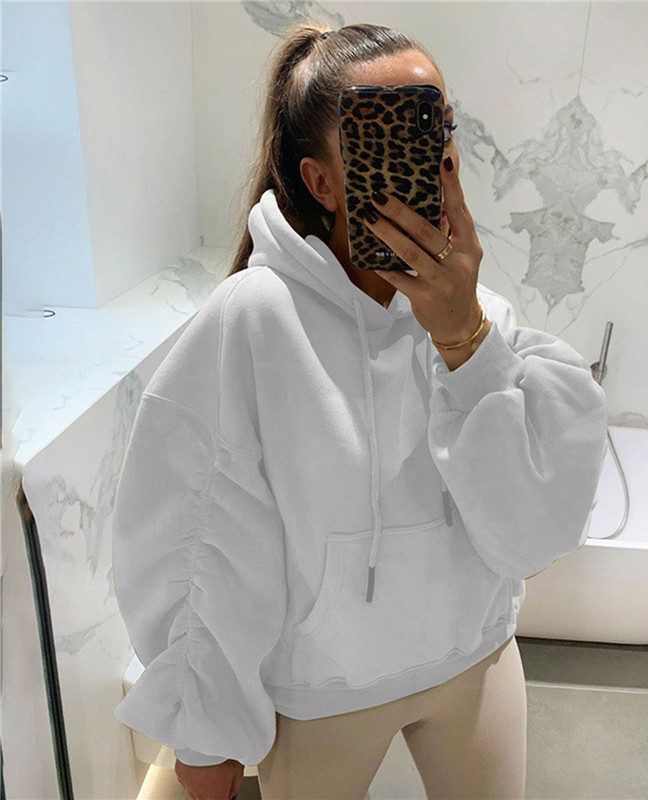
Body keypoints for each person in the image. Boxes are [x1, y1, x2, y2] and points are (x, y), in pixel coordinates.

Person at [111, 21, 608, 800]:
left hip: (474, 658)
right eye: (394, 133)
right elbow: (201, 539)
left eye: (437, 124)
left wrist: (466, 342)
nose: (431, 158)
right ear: (322, 181)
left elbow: (529, 540)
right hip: (323, 691)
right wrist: (207, 742)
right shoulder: (255, 320)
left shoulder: (485, 319)